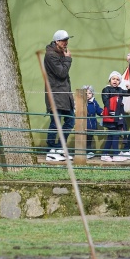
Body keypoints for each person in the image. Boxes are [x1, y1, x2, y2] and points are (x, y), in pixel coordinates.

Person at [44, 29, 75, 161]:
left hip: (64, 93)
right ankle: (51, 149)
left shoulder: (60, 53)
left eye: (67, 40)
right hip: (55, 93)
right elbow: (61, 73)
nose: (66, 42)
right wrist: (68, 60)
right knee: (55, 122)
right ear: (57, 41)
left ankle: (59, 147)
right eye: (63, 40)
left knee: (70, 120)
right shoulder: (50, 55)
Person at [100, 71, 130, 162]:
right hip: (111, 116)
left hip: (118, 116)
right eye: (113, 79)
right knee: (115, 135)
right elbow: (106, 101)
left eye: (118, 79)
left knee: (112, 135)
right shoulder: (106, 89)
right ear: (109, 80)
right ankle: (115, 154)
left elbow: (128, 93)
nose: (115, 81)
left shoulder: (119, 90)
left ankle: (105, 154)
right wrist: (111, 111)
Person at [81, 85, 102, 159]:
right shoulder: (81, 103)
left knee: (89, 138)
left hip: (91, 124)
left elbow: (98, 110)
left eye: (89, 93)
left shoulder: (94, 102)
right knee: (82, 138)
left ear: (92, 94)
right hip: (83, 124)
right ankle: (82, 151)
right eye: (85, 93)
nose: (87, 95)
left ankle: (89, 152)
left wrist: (102, 112)